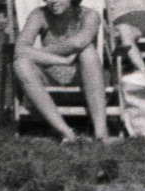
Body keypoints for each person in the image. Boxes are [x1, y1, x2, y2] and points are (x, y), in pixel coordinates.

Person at [12, 0, 111, 142]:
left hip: (83, 81)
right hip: (48, 84)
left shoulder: (90, 15)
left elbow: (79, 43)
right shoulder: (39, 15)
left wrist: (39, 53)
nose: (53, 1)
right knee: (20, 64)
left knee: (87, 52)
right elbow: (19, 49)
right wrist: (62, 60)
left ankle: (101, 133)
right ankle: (66, 132)